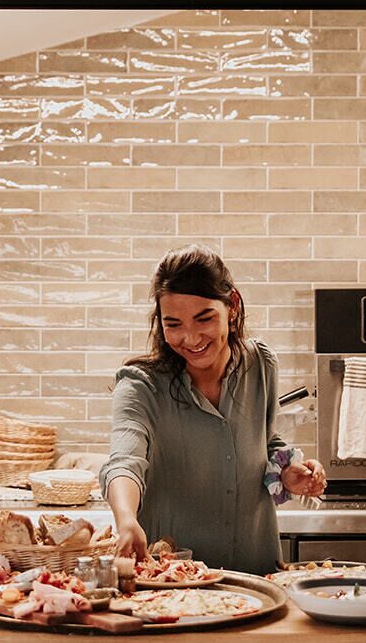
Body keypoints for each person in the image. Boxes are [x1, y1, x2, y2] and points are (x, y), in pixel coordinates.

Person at [101, 246, 326, 574]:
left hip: (257, 572)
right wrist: (126, 521)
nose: (190, 338)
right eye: (173, 324)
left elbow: (264, 441)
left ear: (232, 306)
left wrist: (289, 472)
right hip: (174, 580)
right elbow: (124, 462)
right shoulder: (140, 385)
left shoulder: (260, 363)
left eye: (204, 318)